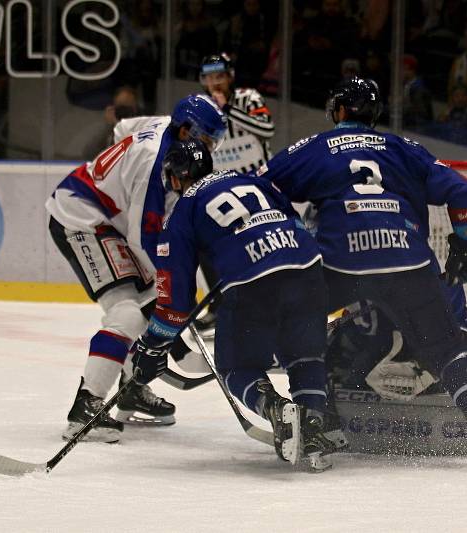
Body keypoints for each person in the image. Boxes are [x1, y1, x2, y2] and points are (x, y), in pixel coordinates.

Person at [256, 77, 467, 463]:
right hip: (408, 262)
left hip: (339, 263)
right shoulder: (403, 149)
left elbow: (261, 190)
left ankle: (317, 423)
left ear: (340, 111)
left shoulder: (315, 148)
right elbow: (462, 189)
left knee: (300, 331)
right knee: (448, 350)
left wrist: (290, 236)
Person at [130, 139, 341, 471]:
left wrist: (152, 345)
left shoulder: (182, 211)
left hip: (254, 282)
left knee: (236, 367)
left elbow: (176, 304)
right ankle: (312, 426)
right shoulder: (253, 181)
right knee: (305, 356)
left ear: (176, 176)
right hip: (308, 267)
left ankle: (275, 409)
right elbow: (290, 219)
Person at [46, 94, 227, 443]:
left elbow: (122, 128)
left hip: (108, 219)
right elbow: (142, 238)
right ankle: (86, 406)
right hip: (82, 218)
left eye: (213, 142)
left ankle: (130, 389)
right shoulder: (151, 165)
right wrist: (169, 291)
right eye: (205, 139)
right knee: (130, 313)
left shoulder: (167, 130)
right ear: (186, 129)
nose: (210, 149)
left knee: (146, 306)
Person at [199, 52, 275, 173]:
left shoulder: (249, 97)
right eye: (210, 77)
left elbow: (267, 130)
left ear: (230, 77)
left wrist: (227, 108)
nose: (215, 83)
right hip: (227, 184)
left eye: (220, 76)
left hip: (262, 177)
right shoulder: (201, 109)